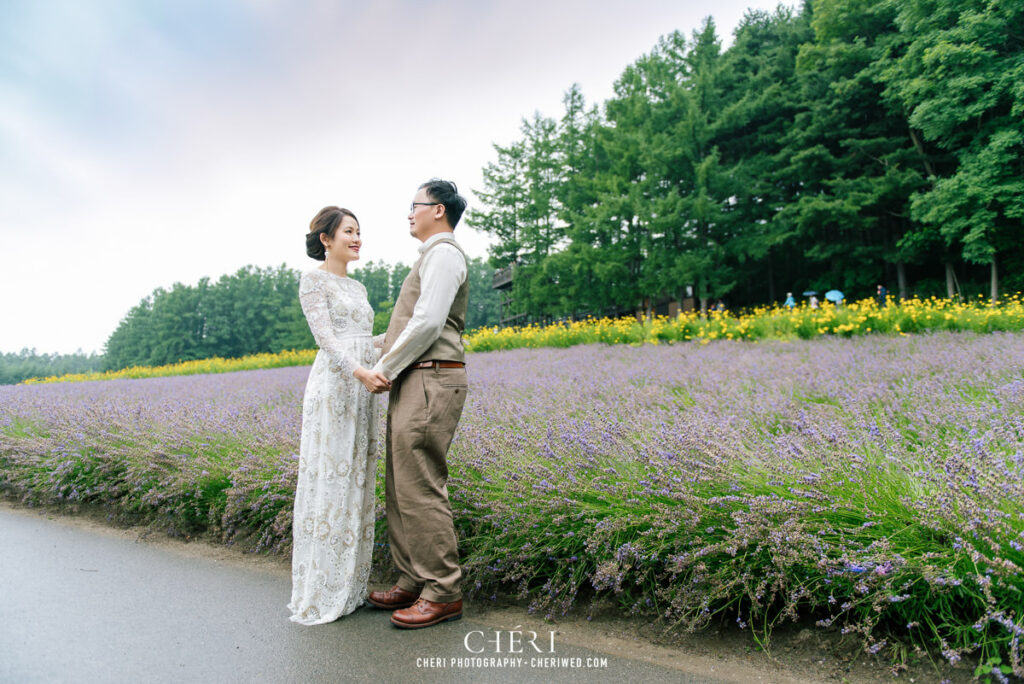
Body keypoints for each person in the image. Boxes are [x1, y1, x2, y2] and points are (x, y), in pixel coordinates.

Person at [367, 179, 469, 629]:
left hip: (431, 378)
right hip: (417, 377)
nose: (410, 213)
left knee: (421, 484)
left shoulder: (444, 254)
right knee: (400, 485)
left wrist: (385, 367)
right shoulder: (429, 257)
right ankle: (413, 578)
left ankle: (443, 590)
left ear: (439, 211)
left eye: (416, 205)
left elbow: (428, 323)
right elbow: (412, 325)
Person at [288, 206, 391, 625]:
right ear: (326, 239)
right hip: (336, 386)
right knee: (330, 479)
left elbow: (366, 340)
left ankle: (348, 589)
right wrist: (359, 371)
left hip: (363, 384)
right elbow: (327, 338)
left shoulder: (361, 287)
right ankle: (321, 590)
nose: (357, 238)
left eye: (359, 232)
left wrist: (404, 332)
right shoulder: (313, 280)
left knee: (357, 480)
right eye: (349, 231)